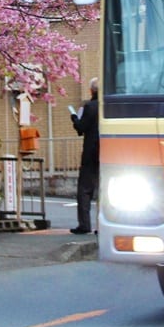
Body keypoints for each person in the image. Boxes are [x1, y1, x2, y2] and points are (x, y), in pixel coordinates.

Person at [69, 77, 99, 235]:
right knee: (105, 191)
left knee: (85, 190)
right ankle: (103, 226)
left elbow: (81, 127)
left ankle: (84, 225)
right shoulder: (109, 107)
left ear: (91, 90)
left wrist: (74, 118)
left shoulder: (90, 107)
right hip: (108, 153)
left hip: (90, 153)